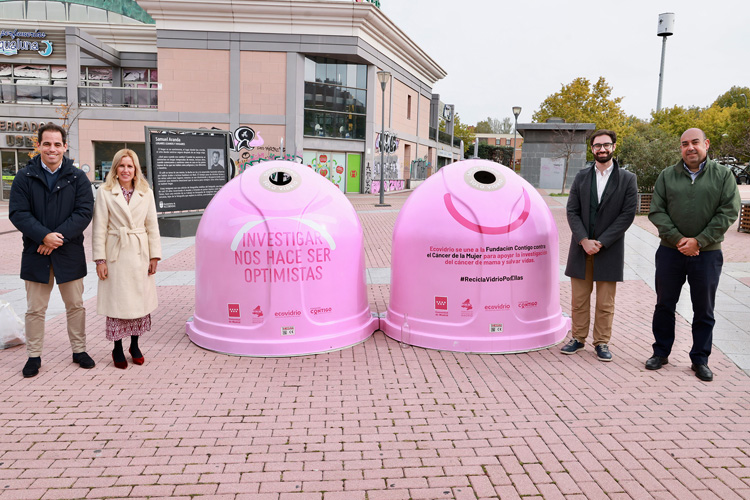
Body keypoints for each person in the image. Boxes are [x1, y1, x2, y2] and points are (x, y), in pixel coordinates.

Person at [646, 128, 740, 381]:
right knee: (664, 304)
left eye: (695, 143)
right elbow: (657, 211)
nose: (690, 148)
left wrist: (699, 241)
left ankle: (700, 360)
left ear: (706, 144)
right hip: (670, 252)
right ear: (681, 148)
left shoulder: (723, 175)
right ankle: (661, 352)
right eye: (685, 144)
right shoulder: (667, 175)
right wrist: (679, 240)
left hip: (707, 255)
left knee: (704, 309)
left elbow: (728, 212)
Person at [9, 123, 95, 378]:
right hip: (36, 251)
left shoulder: (78, 177)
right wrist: (43, 237)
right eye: (47, 143)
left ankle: (79, 350)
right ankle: (34, 356)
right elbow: (18, 213)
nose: (52, 149)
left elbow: (84, 212)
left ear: (65, 146)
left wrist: (56, 238)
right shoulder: (24, 176)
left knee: (76, 305)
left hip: (68, 251)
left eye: (57, 144)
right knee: (35, 308)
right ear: (39, 146)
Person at [561, 129, 638, 361]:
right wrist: (583, 240)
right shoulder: (581, 177)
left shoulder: (627, 179)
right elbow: (572, 211)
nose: (602, 149)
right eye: (597, 146)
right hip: (581, 248)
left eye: (606, 145)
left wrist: (602, 242)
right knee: (579, 300)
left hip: (609, 249)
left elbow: (627, 215)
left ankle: (602, 342)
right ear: (592, 149)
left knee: (605, 303)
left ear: (614, 146)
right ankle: (578, 338)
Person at [92, 149, 161, 369]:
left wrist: (154, 256)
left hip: (140, 253)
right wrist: (100, 260)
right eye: (121, 166)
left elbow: (152, 226)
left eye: (130, 166)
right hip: (116, 254)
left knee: (138, 304)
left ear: (136, 169)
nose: (125, 170)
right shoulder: (105, 191)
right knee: (117, 304)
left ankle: (135, 344)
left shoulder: (145, 191)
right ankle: (117, 348)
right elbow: (99, 227)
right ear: (115, 168)